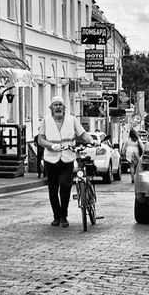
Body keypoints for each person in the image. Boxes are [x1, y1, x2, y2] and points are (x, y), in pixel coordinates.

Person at [37, 96, 96, 227]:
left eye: (60, 105)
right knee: (53, 190)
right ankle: (56, 217)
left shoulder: (72, 120)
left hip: (67, 158)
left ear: (64, 108)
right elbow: (40, 140)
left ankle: (64, 216)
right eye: (55, 105)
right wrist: (50, 146)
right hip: (50, 159)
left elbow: (82, 134)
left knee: (65, 186)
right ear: (51, 108)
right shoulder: (46, 121)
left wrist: (91, 140)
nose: (58, 107)